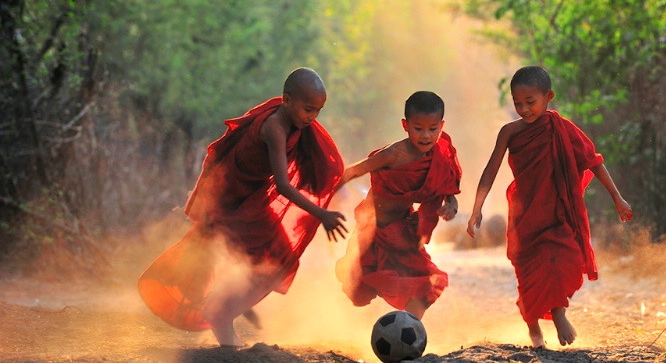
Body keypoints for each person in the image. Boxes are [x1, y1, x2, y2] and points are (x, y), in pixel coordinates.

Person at [138, 67, 348, 347]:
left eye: (319, 111)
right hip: (228, 197)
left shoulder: (291, 119)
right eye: (309, 109)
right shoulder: (274, 128)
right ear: (286, 100)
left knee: (277, 255)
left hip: (251, 195)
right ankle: (223, 318)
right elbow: (284, 186)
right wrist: (321, 214)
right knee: (215, 259)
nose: (313, 118)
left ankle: (232, 302)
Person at [467, 65, 632, 348]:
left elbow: (594, 161)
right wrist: (477, 207)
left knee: (564, 259)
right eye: (517, 103)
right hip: (524, 212)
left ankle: (559, 312)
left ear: (548, 97)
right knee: (528, 270)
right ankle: (533, 329)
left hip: (556, 210)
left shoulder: (561, 128)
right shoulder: (509, 132)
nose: (524, 109)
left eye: (530, 102)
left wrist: (617, 198)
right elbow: (491, 169)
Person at [334, 91, 462, 319]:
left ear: (442, 125)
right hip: (371, 231)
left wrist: (451, 206)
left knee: (426, 282)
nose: (426, 136)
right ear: (405, 125)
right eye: (418, 128)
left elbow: (448, 189)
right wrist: (321, 197)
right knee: (358, 292)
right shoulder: (393, 154)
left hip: (403, 232)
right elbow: (354, 171)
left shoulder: (440, 155)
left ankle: (412, 330)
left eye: (433, 129)